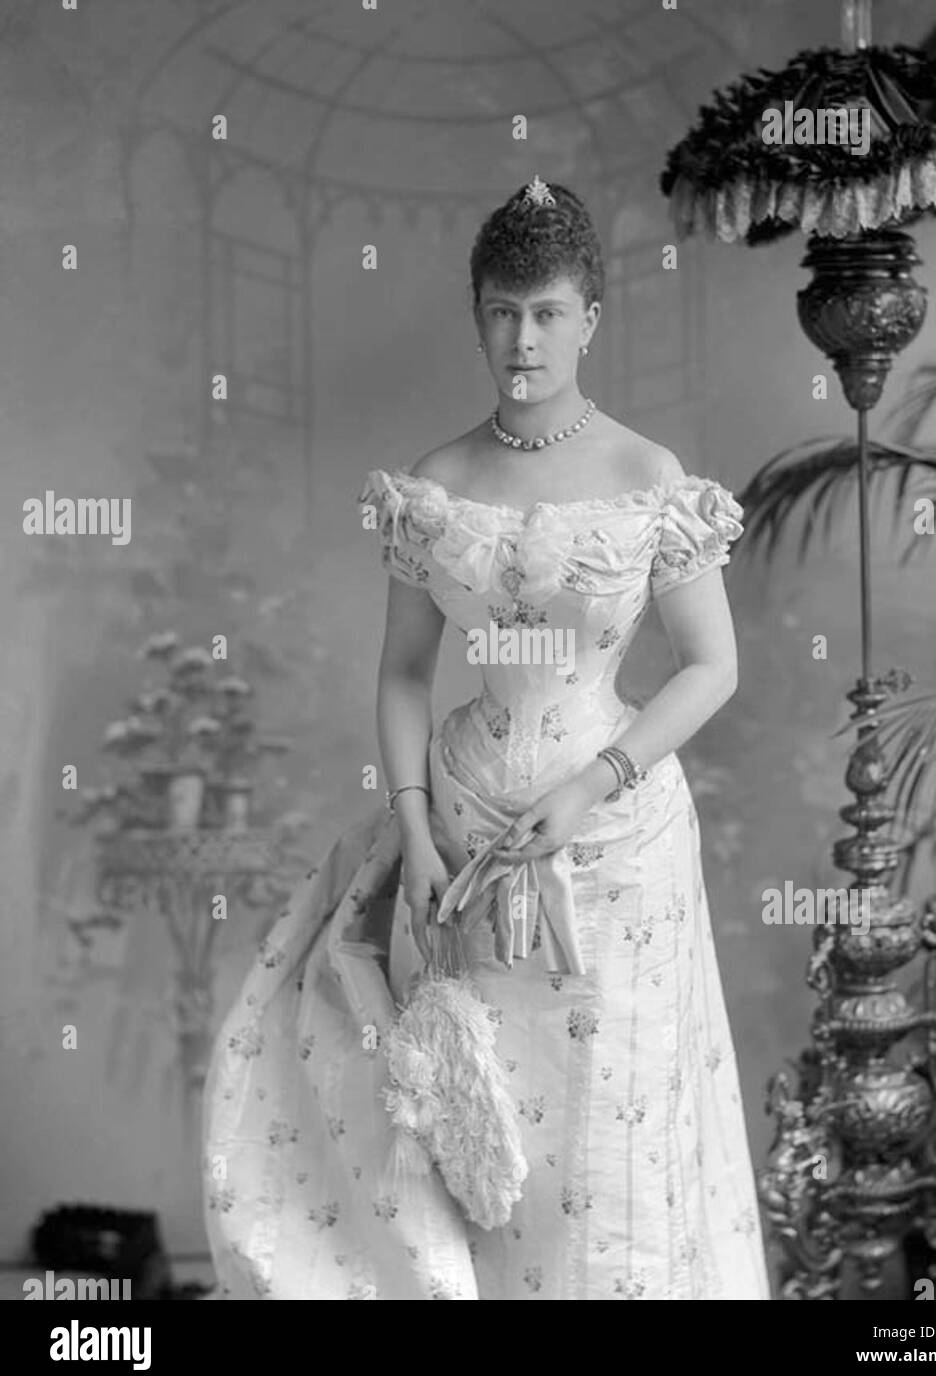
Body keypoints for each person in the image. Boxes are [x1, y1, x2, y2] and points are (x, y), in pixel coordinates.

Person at [202, 176, 771, 1300]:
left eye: (549, 312)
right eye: (504, 311)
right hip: (461, 846)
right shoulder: (435, 484)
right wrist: (414, 835)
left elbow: (714, 667)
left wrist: (595, 781)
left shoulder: (649, 479)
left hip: (615, 846)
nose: (524, 339)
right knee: (486, 1128)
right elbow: (405, 671)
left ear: (591, 319)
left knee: (612, 1126)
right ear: (477, 316)